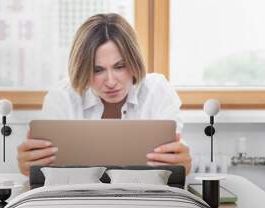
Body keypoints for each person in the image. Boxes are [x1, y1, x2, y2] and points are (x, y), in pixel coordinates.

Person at [17, 13, 191, 176]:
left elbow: (174, 157)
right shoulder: (62, 98)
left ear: (134, 60)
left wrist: (182, 165)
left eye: (120, 66)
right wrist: (32, 167)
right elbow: (46, 172)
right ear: (82, 69)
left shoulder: (157, 91)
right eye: (97, 70)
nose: (110, 82)